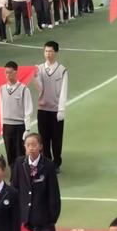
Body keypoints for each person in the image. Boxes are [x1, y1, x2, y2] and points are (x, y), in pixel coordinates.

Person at [11, 133, 61, 231]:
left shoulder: (48, 165)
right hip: (24, 214)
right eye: (28, 145)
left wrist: (52, 216)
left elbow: (54, 193)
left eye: (34, 145)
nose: (31, 148)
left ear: (41, 147)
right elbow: (14, 188)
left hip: (42, 215)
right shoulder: (19, 163)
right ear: (24, 147)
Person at [34, 41, 67, 172]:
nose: (48, 54)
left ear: (56, 53)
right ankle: (46, 161)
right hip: (42, 109)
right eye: (46, 51)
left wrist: (61, 109)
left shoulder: (62, 70)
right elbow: (39, 89)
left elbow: (64, 91)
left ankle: (57, 162)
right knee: (44, 138)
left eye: (50, 51)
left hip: (55, 110)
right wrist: (36, 77)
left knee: (57, 138)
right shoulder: (40, 69)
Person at [0, 61, 33, 168]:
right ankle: (13, 176)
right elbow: (1, 109)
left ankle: (22, 176)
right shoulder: (1, 89)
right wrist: (2, 126)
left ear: (16, 72)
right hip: (7, 126)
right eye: (6, 73)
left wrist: (27, 129)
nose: (8, 75)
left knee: (20, 154)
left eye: (10, 72)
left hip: (19, 126)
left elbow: (28, 109)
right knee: (10, 153)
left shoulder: (24, 89)